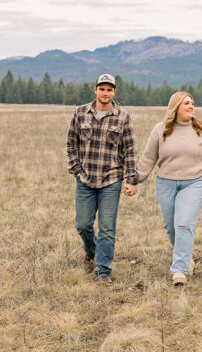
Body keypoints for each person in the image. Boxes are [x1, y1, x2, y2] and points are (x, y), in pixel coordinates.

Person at [135, 91, 202, 287]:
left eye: (192, 103)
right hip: (166, 182)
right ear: (176, 106)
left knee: (184, 223)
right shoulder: (160, 130)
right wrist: (134, 179)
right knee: (171, 226)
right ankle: (186, 258)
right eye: (186, 103)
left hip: (194, 182)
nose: (191, 106)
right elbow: (148, 158)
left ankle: (179, 270)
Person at [65, 73, 138, 284]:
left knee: (107, 227)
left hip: (111, 180)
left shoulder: (123, 117)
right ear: (95, 90)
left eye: (109, 89)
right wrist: (77, 170)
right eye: (102, 89)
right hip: (85, 180)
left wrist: (131, 179)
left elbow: (130, 150)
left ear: (114, 92)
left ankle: (103, 270)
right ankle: (91, 250)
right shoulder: (80, 114)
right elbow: (71, 144)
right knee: (83, 224)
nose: (105, 93)